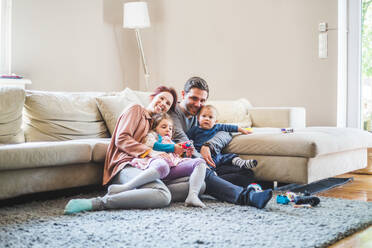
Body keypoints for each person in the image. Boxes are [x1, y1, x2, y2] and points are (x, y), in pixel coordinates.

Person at [64, 86, 200, 214]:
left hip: (146, 168)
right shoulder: (136, 110)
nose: (163, 103)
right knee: (163, 196)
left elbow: (161, 146)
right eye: (161, 98)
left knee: (198, 185)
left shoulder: (153, 125)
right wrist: (150, 152)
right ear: (152, 97)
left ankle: (144, 193)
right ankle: (98, 203)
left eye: (168, 103)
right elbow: (121, 138)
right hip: (125, 165)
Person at [169, 76, 272, 208]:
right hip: (185, 162)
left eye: (202, 100)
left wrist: (209, 145)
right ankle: (246, 197)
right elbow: (184, 143)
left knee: (245, 173)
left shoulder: (200, 115)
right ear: (183, 94)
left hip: (208, 162)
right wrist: (203, 162)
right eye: (194, 98)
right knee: (203, 171)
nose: (197, 104)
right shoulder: (173, 114)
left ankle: (211, 184)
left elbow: (225, 131)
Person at [107, 112, 207, 208]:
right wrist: (173, 147)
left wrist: (187, 154)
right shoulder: (152, 136)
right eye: (164, 127)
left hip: (172, 168)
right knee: (163, 165)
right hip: (157, 165)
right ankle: (127, 187)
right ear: (155, 128)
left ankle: (192, 196)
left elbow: (176, 159)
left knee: (200, 163)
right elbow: (153, 145)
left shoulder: (172, 142)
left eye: (170, 128)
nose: (168, 130)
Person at [187, 104, 258, 170]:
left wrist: (242, 130)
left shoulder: (217, 127)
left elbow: (229, 127)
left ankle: (241, 163)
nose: (207, 119)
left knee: (230, 156)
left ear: (215, 121)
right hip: (200, 153)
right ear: (198, 118)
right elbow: (187, 139)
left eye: (210, 117)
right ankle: (210, 172)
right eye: (204, 116)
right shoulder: (195, 129)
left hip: (216, 154)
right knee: (203, 162)